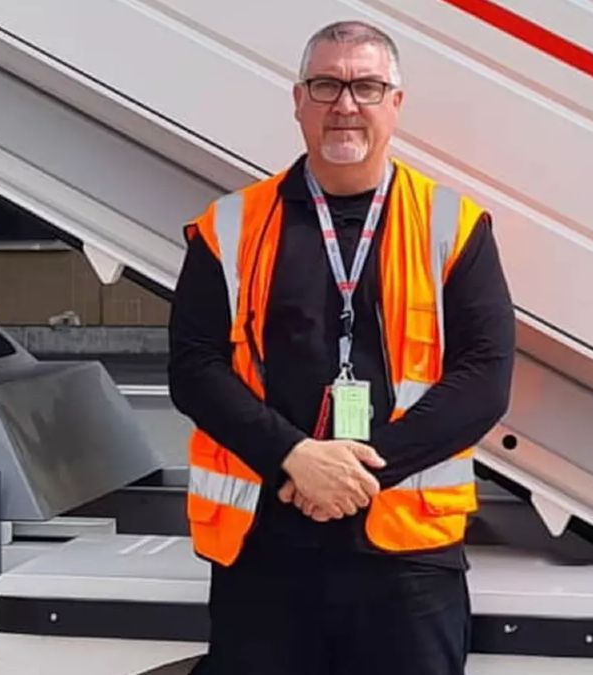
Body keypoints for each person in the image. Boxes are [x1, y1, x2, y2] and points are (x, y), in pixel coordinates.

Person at [168, 18, 515, 675]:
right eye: (326, 85)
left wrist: (360, 474)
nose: (345, 104)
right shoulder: (230, 226)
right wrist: (294, 457)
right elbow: (194, 367)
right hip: (265, 554)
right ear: (298, 100)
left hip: (406, 562)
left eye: (366, 86)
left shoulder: (453, 225)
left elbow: (485, 379)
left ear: (396, 103)